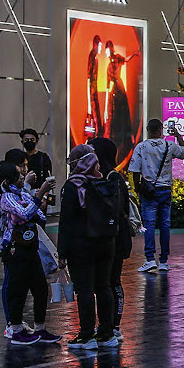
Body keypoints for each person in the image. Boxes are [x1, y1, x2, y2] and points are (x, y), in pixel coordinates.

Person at [59, 144, 121, 349]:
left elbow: (66, 222)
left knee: (84, 290)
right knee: (103, 287)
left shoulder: (73, 185)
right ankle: (107, 333)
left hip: (81, 246)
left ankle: (87, 335)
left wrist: (62, 252)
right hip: (106, 243)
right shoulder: (104, 182)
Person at [0, 163, 56, 345]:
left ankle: (40, 328)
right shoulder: (7, 197)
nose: (24, 178)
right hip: (15, 249)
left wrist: (32, 205)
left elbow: (39, 215)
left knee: (40, 287)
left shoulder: (22, 194)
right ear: (8, 180)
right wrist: (39, 195)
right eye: (19, 176)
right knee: (18, 290)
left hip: (31, 247)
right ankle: (16, 330)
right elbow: (25, 213)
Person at [128, 119, 184, 273]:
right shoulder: (169, 145)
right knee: (165, 225)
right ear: (161, 129)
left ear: (147, 129)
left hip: (149, 191)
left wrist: (137, 190)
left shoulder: (141, 147)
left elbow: (134, 170)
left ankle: (149, 259)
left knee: (148, 225)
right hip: (165, 190)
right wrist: (178, 135)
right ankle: (163, 261)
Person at [91, 138, 131, 341]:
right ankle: (107, 324)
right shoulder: (97, 176)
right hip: (106, 238)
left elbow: (116, 210)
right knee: (103, 283)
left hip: (113, 239)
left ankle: (114, 325)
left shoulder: (112, 178)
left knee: (112, 282)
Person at [104, 41, 140, 159]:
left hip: (118, 89)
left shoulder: (115, 60)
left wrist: (134, 54)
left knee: (121, 113)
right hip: (117, 89)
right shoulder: (112, 63)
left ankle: (124, 137)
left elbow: (126, 60)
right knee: (119, 114)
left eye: (107, 49)